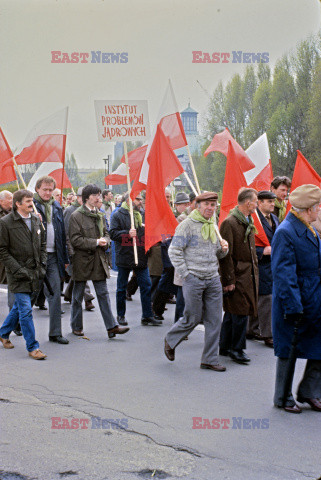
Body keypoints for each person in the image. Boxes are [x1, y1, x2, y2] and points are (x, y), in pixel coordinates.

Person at [164, 192, 229, 371]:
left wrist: (224, 249)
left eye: (213, 205)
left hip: (213, 278)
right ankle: (170, 340)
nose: (210, 208)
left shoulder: (213, 225)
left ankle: (209, 359)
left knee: (215, 321)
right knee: (192, 317)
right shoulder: (186, 226)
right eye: (207, 204)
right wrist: (186, 274)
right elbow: (174, 251)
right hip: (194, 278)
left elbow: (218, 253)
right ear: (197, 206)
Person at [272, 184, 321, 413]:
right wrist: (294, 306)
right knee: (288, 350)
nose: (319, 210)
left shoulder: (307, 227)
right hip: (296, 301)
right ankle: (282, 397)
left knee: (319, 346)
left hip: (314, 297)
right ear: (308, 209)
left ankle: (309, 391)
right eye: (317, 207)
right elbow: (283, 274)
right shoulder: (286, 232)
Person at [69, 184, 129, 339]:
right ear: (86, 198)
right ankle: (76, 326)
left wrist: (105, 241)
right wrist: (96, 242)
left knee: (103, 293)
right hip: (82, 261)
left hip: (98, 260)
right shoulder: (76, 215)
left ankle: (112, 327)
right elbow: (75, 240)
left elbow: (107, 233)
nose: (98, 198)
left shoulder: (101, 215)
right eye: (95, 195)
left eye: (99, 195)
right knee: (77, 295)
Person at [0, 189, 47, 359]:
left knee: (20, 308)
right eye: (27, 201)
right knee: (26, 310)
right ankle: (33, 347)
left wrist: (42, 265)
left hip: (35, 272)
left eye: (31, 200)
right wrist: (18, 270)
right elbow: (2, 251)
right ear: (17, 204)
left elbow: (42, 244)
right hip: (17, 274)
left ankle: (3, 333)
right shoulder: (5, 222)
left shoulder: (35, 219)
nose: (31, 204)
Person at [219, 188, 259, 364]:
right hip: (237, 275)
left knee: (232, 312)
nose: (256, 205)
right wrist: (228, 280)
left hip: (246, 274)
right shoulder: (230, 222)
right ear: (248, 202)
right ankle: (237, 349)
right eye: (256, 201)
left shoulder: (246, 220)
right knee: (240, 313)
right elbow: (226, 255)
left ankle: (224, 345)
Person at [109, 193, 161, 326]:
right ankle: (121, 315)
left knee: (146, 285)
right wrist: (127, 233)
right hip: (125, 255)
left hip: (141, 255)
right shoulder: (117, 215)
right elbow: (113, 234)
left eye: (140, 199)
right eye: (137, 199)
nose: (140, 201)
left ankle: (147, 315)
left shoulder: (142, 214)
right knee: (121, 287)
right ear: (129, 200)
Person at [33, 175, 69, 344]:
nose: (48, 193)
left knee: (55, 293)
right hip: (35, 257)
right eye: (44, 190)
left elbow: (62, 233)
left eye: (50, 190)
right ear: (37, 190)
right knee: (30, 294)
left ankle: (55, 333)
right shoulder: (30, 206)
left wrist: (65, 258)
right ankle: (15, 324)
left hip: (53, 257)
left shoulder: (56, 206)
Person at [247, 191, 279, 347]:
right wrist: (261, 252)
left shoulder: (275, 218)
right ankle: (268, 334)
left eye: (273, 201)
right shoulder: (252, 219)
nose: (272, 204)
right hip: (259, 264)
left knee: (261, 297)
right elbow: (245, 244)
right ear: (259, 203)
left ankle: (251, 328)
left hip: (273, 264)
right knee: (266, 298)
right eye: (268, 201)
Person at [63, 187, 95, 311]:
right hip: (73, 248)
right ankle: (88, 299)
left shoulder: (89, 211)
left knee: (76, 275)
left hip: (85, 248)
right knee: (81, 274)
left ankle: (67, 294)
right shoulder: (70, 211)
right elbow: (66, 233)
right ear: (78, 197)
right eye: (82, 197)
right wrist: (69, 250)